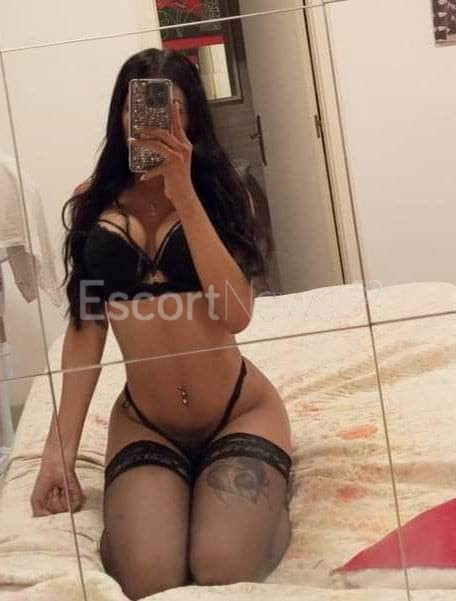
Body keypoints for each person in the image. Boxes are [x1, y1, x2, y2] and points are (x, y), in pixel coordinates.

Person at [30, 48, 293, 599]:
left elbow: (236, 314)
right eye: (137, 107)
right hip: (146, 423)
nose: (150, 120)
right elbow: (85, 333)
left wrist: (185, 195)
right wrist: (59, 451)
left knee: (222, 565)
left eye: (170, 107)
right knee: (148, 577)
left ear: (190, 115)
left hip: (238, 413)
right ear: (120, 116)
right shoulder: (92, 205)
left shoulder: (222, 194)